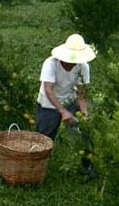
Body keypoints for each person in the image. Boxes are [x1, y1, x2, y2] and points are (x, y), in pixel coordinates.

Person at [35, 34, 99, 179]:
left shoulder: (83, 67)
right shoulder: (51, 64)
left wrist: (85, 113)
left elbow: (81, 95)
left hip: (69, 100)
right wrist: (62, 112)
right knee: (44, 139)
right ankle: (36, 168)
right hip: (48, 103)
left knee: (85, 132)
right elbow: (48, 89)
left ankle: (87, 166)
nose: (71, 63)